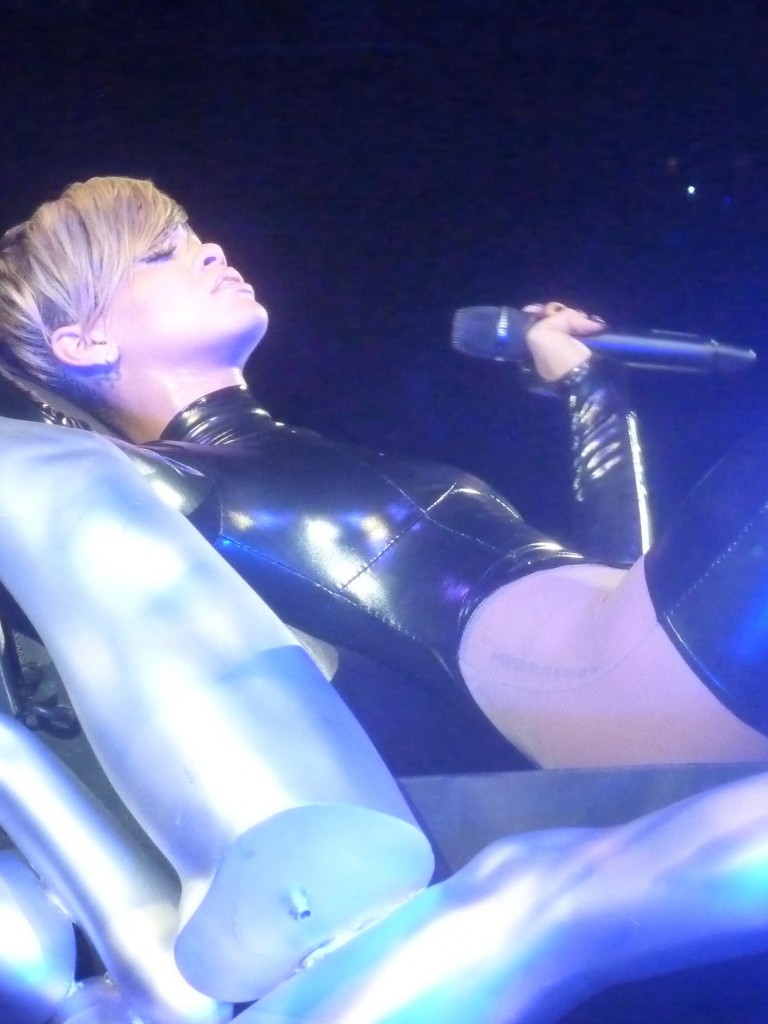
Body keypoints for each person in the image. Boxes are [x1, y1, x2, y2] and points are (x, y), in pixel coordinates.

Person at [0, 175, 767, 770]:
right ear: (83, 342)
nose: (212, 251)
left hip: (655, 674)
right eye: (160, 254)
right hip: (623, 706)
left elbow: (620, 582)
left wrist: (589, 387)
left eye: (197, 236)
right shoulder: (150, 492)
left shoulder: (291, 458)